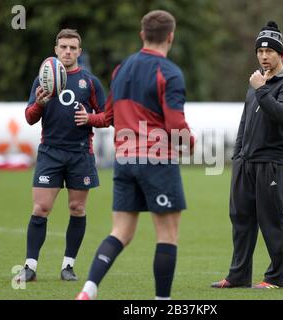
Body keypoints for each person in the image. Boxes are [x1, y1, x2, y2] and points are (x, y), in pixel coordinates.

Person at [74, 10, 194, 300]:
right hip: (156, 160)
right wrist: (189, 143)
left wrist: (89, 119)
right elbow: (176, 125)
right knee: (167, 235)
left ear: (142, 35)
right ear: (171, 37)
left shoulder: (121, 69)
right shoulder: (170, 72)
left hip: (125, 160)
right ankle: (161, 302)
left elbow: (110, 116)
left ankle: (88, 290)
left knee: (121, 232)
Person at [211, 21, 283, 289]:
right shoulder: (256, 82)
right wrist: (238, 156)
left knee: (271, 220)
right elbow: (245, 123)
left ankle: (275, 278)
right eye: (260, 51)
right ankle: (238, 275)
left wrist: (261, 88)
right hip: (246, 163)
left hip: (273, 162)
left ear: (280, 54)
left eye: (270, 51)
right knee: (240, 219)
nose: (264, 56)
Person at [17, 29, 106, 282]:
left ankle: (68, 266)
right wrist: (40, 104)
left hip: (80, 154)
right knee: (41, 208)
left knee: (77, 208)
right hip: (50, 153)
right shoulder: (41, 80)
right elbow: (30, 118)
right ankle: (30, 266)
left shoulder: (89, 82)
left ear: (79, 51)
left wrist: (90, 118)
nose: (68, 51)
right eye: (63, 47)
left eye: (73, 48)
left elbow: (108, 117)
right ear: (56, 49)